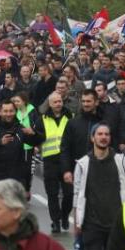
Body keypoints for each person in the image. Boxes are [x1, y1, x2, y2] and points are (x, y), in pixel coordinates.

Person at [39, 92, 73, 234]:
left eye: (60, 101)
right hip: (50, 160)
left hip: (67, 160)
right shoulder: (43, 119)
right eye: (55, 102)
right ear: (50, 104)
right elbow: (37, 136)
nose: (58, 104)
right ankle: (56, 221)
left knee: (69, 193)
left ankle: (64, 216)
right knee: (52, 194)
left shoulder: (70, 117)